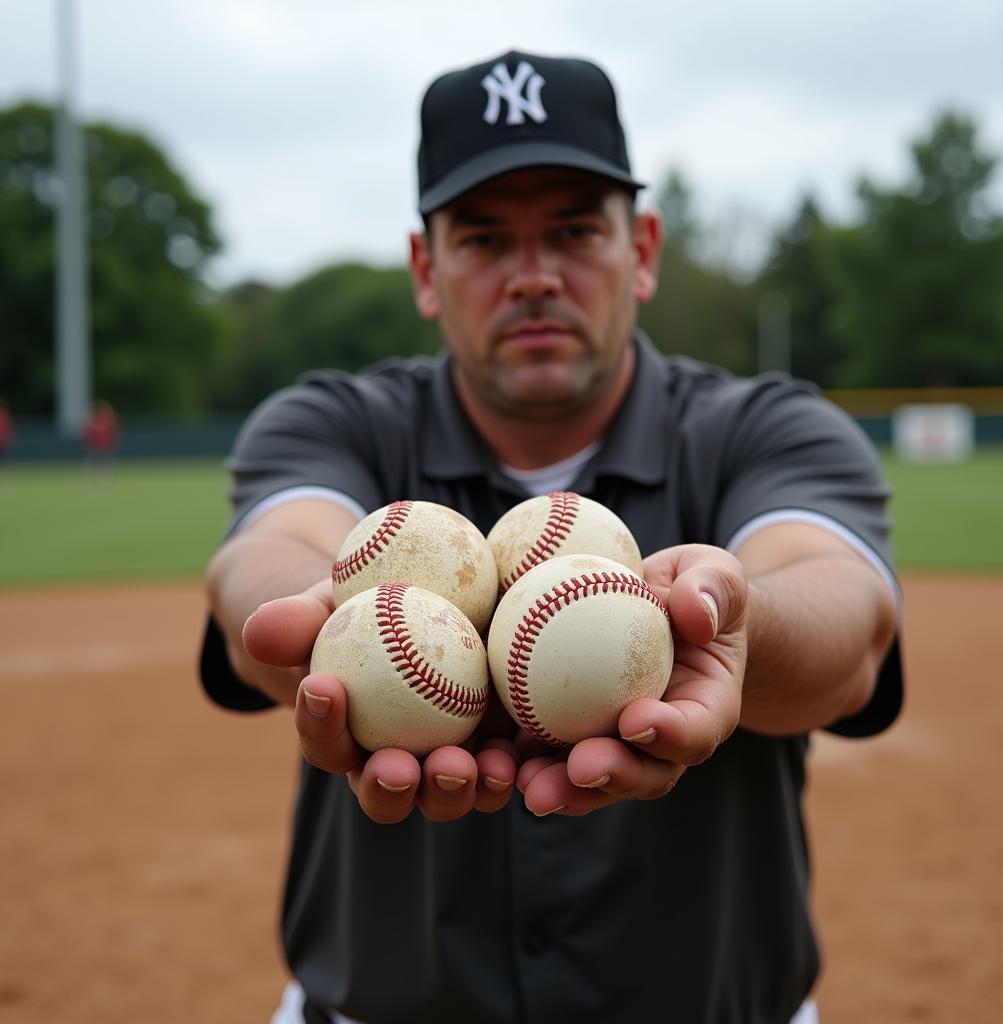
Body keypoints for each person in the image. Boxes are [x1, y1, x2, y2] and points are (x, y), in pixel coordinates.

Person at [201, 50, 902, 1024]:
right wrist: (325, 619)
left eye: (573, 230)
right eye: (484, 239)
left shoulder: (768, 426)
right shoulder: (332, 421)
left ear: (643, 247)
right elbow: (271, 556)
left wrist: (726, 626)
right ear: (425, 269)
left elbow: (845, 614)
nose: (533, 277)